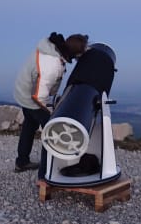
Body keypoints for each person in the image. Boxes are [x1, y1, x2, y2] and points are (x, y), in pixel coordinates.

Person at [14, 32, 89, 179]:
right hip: (32, 98)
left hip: (23, 91)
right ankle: (47, 173)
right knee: (52, 132)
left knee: (29, 126)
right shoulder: (52, 64)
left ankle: (22, 162)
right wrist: (51, 113)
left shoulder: (53, 47)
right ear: (74, 53)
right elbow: (39, 96)